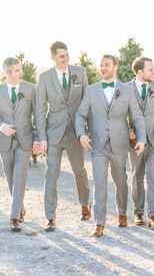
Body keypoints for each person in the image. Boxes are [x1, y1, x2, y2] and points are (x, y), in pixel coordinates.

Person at [75, 54, 146, 237]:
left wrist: (141, 139)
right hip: (97, 144)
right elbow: (80, 115)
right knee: (99, 183)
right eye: (101, 65)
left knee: (120, 181)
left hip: (120, 143)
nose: (103, 68)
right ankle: (99, 223)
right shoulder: (91, 90)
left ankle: (122, 213)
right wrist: (81, 134)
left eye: (106, 65)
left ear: (115, 67)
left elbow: (136, 116)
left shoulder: (127, 90)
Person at [36, 41, 90, 231]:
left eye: (67, 55)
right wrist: (41, 137)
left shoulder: (80, 72)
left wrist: (86, 131)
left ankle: (85, 203)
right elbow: (40, 109)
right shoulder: (44, 78)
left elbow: (87, 102)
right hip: (53, 133)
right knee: (51, 173)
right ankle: (50, 216)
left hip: (75, 131)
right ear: (53, 57)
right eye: (61, 56)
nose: (65, 59)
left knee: (79, 171)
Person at [128, 56, 154, 227]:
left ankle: (153, 215)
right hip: (136, 141)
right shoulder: (126, 88)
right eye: (150, 69)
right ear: (140, 72)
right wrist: (128, 130)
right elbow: (119, 112)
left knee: (153, 176)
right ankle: (138, 213)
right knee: (137, 175)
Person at [0, 57, 39, 232]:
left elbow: (38, 115)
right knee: (10, 178)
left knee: (20, 176)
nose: (21, 72)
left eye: (21, 69)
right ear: (8, 73)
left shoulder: (31, 89)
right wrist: (2, 127)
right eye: (17, 70)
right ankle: (20, 206)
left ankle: (14, 217)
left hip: (25, 140)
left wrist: (38, 138)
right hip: (5, 141)